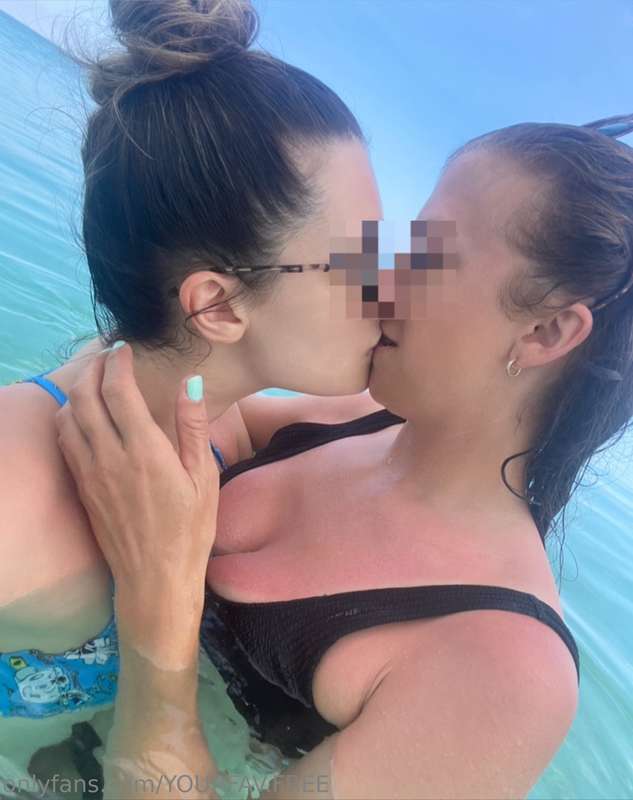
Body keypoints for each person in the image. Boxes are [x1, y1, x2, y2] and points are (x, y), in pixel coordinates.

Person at [55, 109, 633, 796]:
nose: (380, 280)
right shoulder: (349, 417)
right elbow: (165, 400)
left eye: (429, 256)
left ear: (546, 333)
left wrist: (159, 598)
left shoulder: (505, 669)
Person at [0, 0, 386, 778]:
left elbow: (409, 422)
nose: (389, 294)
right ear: (217, 305)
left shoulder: (214, 411)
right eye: (358, 265)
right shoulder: (14, 499)